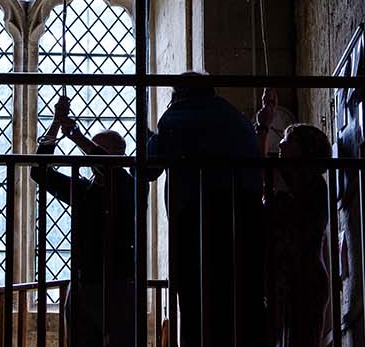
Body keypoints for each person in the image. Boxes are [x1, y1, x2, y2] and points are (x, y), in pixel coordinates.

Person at [148, 74, 266, 347]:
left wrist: (156, 136)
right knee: (242, 310)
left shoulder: (176, 118)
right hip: (244, 226)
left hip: (197, 228)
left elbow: (146, 169)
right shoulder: (236, 118)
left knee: (197, 313)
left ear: (178, 94)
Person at [30, 95, 154, 347]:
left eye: (99, 152)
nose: (89, 160)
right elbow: (39, 172)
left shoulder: (130, 184)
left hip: (118, 284)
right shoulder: (85, 190)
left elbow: (107, 167)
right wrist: (55, 125)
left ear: (121, 155)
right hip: (82, 284)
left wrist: (76, 135)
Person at [255, 88, 331, 347]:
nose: (283, 143)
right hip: (281, 283)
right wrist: (264, 123)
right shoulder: (285, 181)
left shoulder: (313, 187)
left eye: (290, 138)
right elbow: (259, 169)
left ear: (305, 150)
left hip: (302, 282)